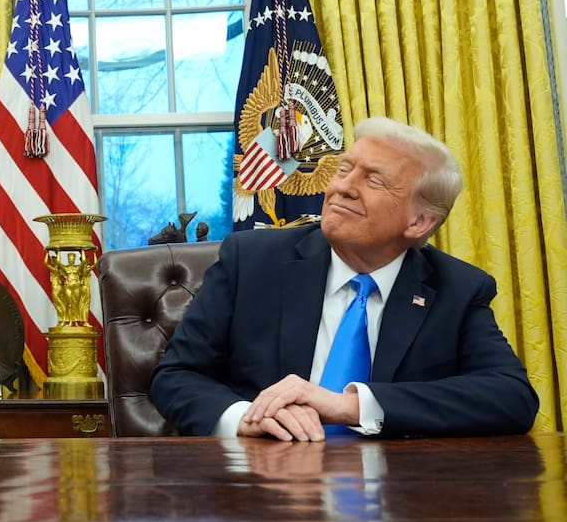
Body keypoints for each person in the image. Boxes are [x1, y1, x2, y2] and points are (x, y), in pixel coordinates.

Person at [150, 116, 537, 441]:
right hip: (263, 491)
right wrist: (248, 418)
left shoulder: (456, 289)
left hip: (400, 503)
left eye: (374, 180)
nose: (342, 188)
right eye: (344, 169)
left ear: (419, 222)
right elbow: (176, 375)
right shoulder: (251, 262)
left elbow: (512, 397)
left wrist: (351, 405)